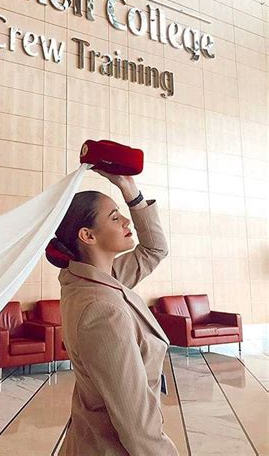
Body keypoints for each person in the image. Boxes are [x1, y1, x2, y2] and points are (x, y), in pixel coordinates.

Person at [46, 167, 179, 456]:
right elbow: (136, 423)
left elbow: (154, 249)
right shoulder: (101, 309)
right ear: (88, 235)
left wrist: (128, 188)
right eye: (114, 217)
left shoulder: (95, 277)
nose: (126, 220)